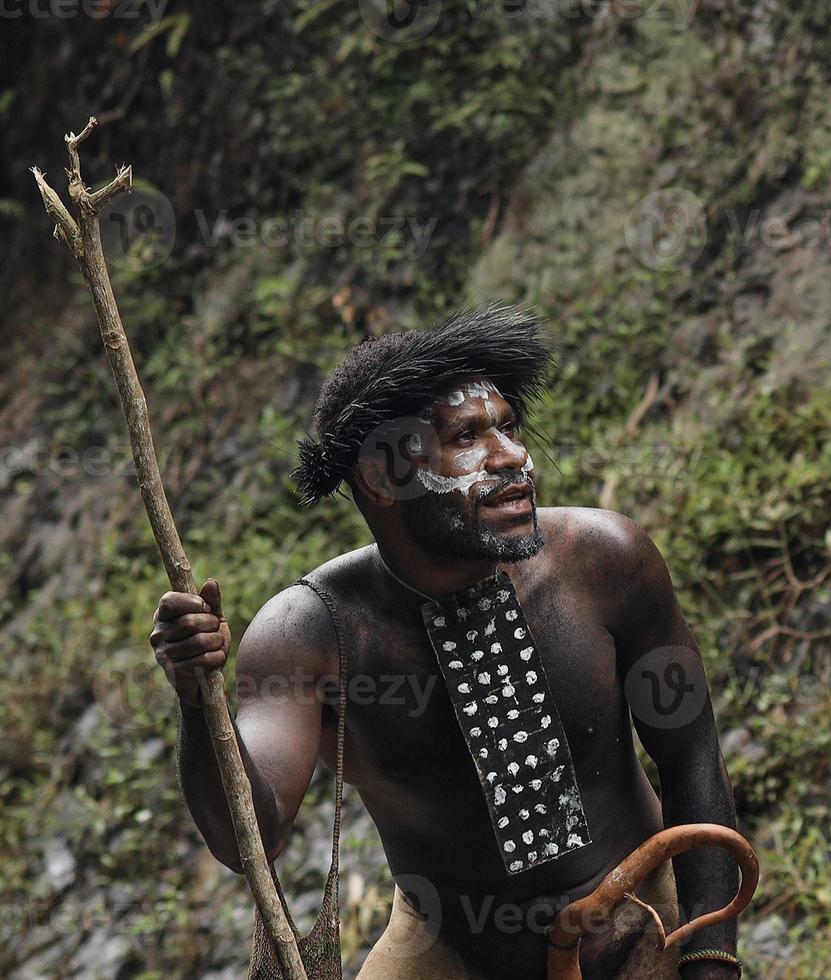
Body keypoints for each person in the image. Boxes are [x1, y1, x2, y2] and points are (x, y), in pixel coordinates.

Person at [150, 307, 743, 979]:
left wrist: (710, 953)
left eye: (509, 426)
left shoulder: (606, 560)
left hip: (645, 909)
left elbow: (691, 752)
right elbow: (246, 840)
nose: (513, 456)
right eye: (468, 437)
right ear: (384, 478)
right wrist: (199, 703)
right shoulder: (310, 635)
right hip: (456, 953)